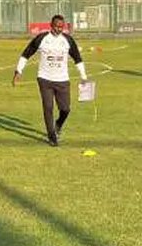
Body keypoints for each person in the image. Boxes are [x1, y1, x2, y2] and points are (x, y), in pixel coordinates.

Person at [13, 14, 88, 147]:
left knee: (65, 109)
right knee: (48, 107)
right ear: (51, 25)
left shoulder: (68, 40)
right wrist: (18, 71)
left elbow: (77, 58)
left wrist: (84, 76)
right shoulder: (42, 39)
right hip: (45, 79)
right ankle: (51, 136)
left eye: (61, 27)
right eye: (56, 26)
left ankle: (58, 124)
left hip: (62, 80)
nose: (59, 29)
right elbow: (26, 53)